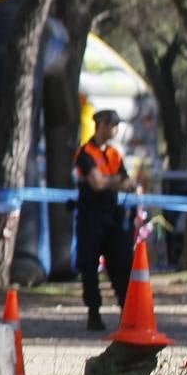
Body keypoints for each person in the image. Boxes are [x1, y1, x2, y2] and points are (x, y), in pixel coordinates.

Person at [75, 109, 133, 331]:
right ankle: (94, 313)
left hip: (112, 216)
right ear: (101, 125)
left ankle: (126, 312)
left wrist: (109, 180)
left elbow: (126, 183)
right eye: (112, 125)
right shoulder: (85, 153)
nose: (115, 129)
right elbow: (96, 184)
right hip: (90, 217)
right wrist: (115, 180)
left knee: (121, 263)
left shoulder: (114, 154)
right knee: (89, 266)